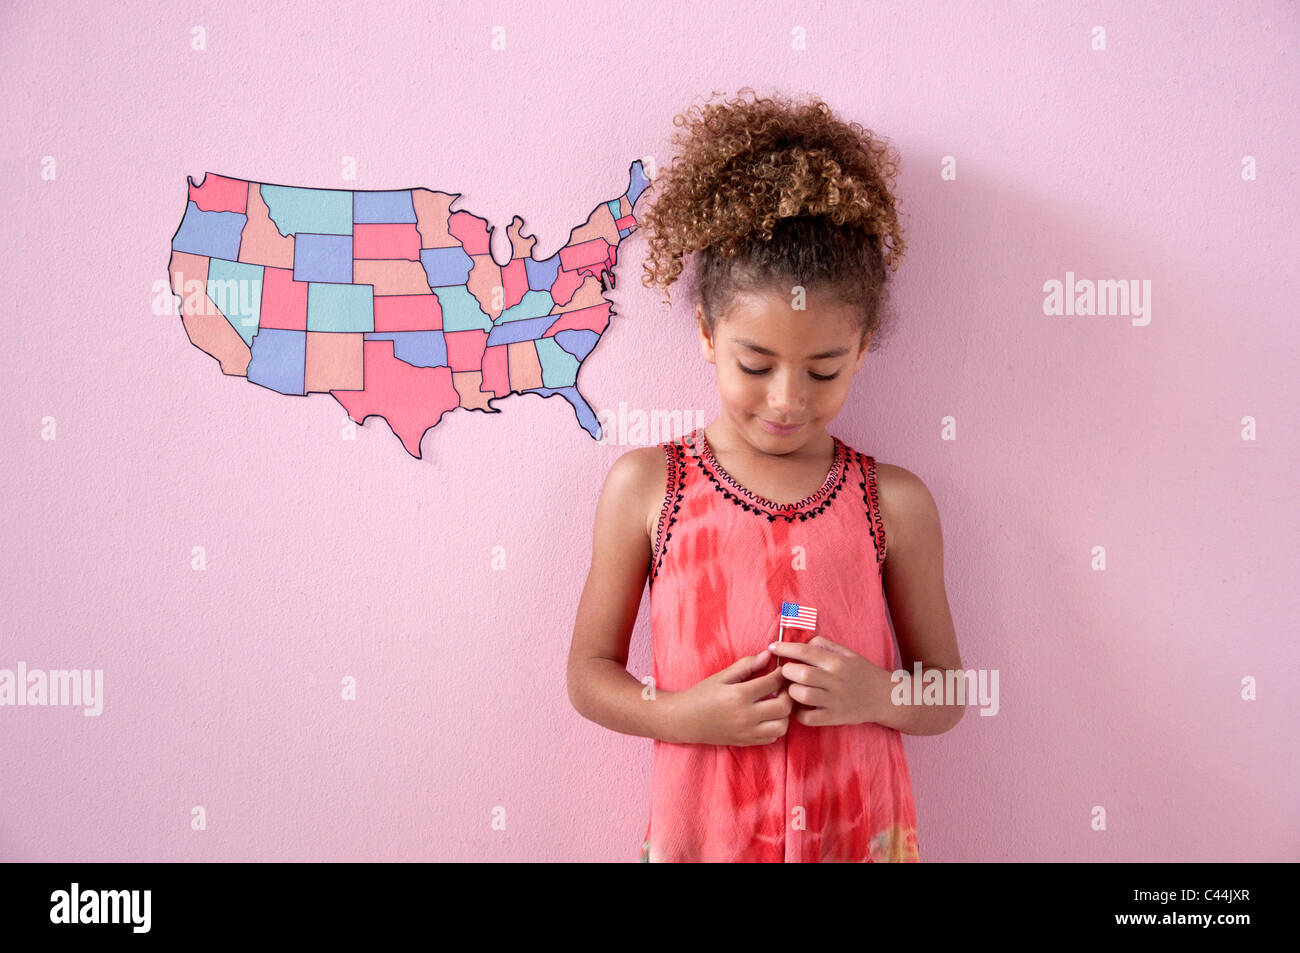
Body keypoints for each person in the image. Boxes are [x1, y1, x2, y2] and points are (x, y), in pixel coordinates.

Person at [566, 87, 964, 862]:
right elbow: (588, 673)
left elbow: (949, 690)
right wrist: (684, 714)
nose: (788, 400)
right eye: (756, 363)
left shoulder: (895, 502)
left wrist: (879, 695)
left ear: (863, 345)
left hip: (859, 835)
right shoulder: (649, 486)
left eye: (824, 369)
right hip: (707, 836)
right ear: (711, 335)